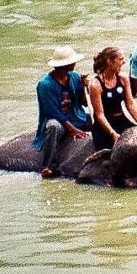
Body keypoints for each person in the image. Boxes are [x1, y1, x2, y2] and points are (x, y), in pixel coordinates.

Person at [33, 45, 91, 178]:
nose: (75, 64)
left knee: (99, 120)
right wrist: (71, 129)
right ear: (66, 64)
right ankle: (48, 166)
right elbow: (52, 111)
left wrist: (83, 87)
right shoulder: (45, 84)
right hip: (57, 119)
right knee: (53, 127)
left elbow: (84, 103)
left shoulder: (75, 77)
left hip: (77, 116)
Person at [87, 46, 137, 151]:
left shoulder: (123, 79)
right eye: (120, 59)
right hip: (104, 126)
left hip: (122, 120)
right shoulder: (95, 84)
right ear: (109, 61)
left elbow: (130, 105)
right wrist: (112, 133)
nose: (124, 62)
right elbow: (99, 114)